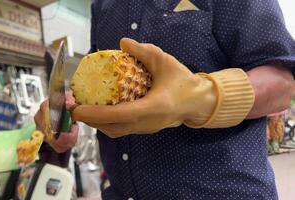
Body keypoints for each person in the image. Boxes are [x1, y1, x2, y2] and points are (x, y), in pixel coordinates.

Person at [35, 0, 295, 199]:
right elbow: (102, 85)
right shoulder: (103, 4)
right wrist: (65, 113)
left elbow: (283, 84)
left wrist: (202, 97)